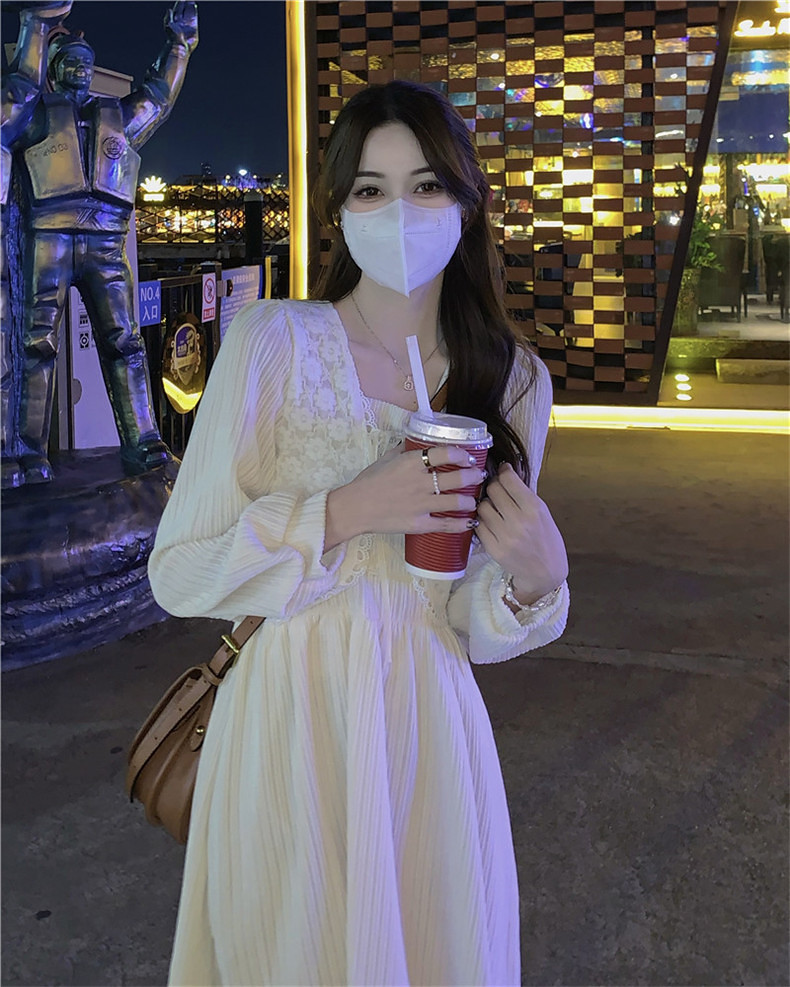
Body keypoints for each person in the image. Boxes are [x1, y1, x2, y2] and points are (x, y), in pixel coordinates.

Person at [148, 80, 570, 987]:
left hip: (430, 727)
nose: (399, 213)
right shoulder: (272, 341)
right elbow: (178, 573)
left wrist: (538, 581)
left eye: (426, 185)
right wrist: (346, 509)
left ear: (466, 203)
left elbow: (470, 620)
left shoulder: (516, 381)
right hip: (288, 721)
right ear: (340, 209)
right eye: (371, 189)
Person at [1, 2, 198, 484]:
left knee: (124, 341)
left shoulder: (118, 117)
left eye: (86, 62)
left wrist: (179, 45)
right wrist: (36, 30)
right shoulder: (36, 115)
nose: (81, 69)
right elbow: (15, 97)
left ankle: (144, 439)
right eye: (70, 61)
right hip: (49, 237)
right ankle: (27, 450)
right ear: (53, 70)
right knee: (36, 344)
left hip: (107, 244)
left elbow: (158, 98)